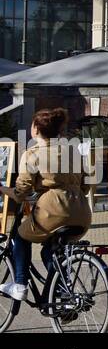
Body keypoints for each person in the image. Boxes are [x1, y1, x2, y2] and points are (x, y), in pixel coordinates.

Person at [0, 108, 93, 303]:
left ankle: (19, 284)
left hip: (52, 212)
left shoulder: (32, 154)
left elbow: (20, 193)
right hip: (82, 213)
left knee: (19, 236)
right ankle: (62, 295)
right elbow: (86, 186)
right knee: (49, 250)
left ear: (36, 129)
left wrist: (3, 190)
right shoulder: (72, 151)